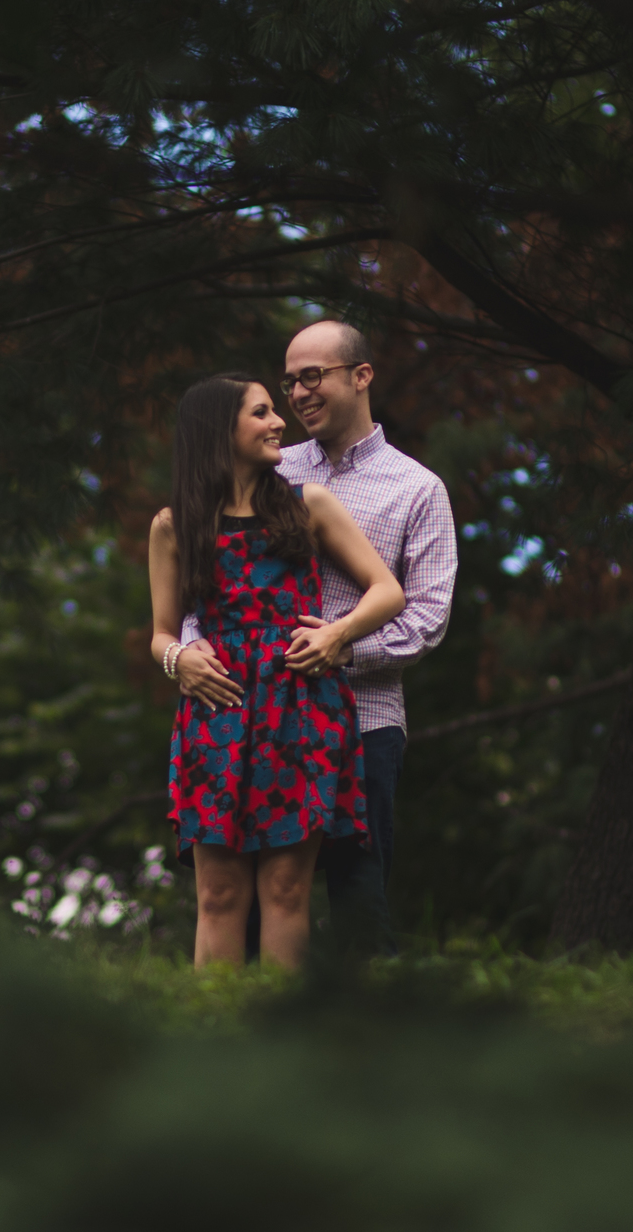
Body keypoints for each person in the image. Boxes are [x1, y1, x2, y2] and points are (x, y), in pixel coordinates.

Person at [176, 322, 458, 955]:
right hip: (257, 717)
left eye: (313, 376)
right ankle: (238, 1043)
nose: (297, 396)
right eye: (288, 382)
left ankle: (365, 1045)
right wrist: (186, 650)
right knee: (243, 904)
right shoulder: (268, 463)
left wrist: (341, 649)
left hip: (367, 719)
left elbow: (428, 616)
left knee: (359, 897)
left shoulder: (417, 488)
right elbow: (207, 580)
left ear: (361, 376)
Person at [149, 374, 404, 969]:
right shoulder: (172, 526)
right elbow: (162, 630)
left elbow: (386, 591)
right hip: (217, 717)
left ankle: (278, 1044)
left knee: (287, 891)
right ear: (220, 431)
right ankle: (214, 1038)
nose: (279, 422)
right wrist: (177, 658)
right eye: (261, 413)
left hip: (303, 713)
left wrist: (338, 633)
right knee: (218, 894)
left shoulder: (307, 503)